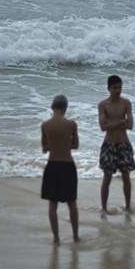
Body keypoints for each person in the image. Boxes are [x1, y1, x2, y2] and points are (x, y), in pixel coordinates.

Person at [41, 94, 80, 244]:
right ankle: (75, 237)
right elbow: (75, 145)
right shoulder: (71, 124)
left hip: (52, 165)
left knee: (53, 204)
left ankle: (56, 238)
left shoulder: (45, 125)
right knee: (71, 203)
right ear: (65, 108)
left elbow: (44, 147)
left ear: (52, 107)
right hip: (67, 165)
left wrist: (53, 145)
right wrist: (65, 144)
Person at [98, 75, 135, 214]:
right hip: (109, 144)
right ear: (108, 88)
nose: (118, 90)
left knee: (126, 176)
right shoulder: (103, 105)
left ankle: (127, 206)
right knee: (107, 177)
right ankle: (103, 208)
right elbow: (103, 126)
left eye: (119, 87)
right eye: (115, 88)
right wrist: (120, 122)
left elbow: (130, 124)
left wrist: (111, 124)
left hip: (124, 143)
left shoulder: (126, 103)